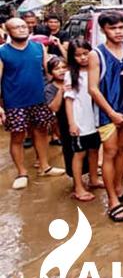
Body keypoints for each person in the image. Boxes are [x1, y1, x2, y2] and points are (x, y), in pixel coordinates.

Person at [0, 17, 64, 189]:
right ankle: (21, 172)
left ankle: (44, 166)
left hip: (39, 98)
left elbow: (49, 72)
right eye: (17, 27)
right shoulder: (2, 52)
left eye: (24, 26)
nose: (22, 29)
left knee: (42, 132)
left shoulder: (38, 47)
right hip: (14, 101)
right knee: (18, 136)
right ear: (8, 31)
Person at [88, 11, 123, 222]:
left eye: (121, 27)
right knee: (109, 152)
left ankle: (119, 188)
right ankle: (112, 200)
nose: (118, 32)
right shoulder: (96, 54)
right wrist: (111, 113)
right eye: (113, 28)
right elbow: (93, 88)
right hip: (107, 113)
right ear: (103, 30)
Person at [64, 38, 103, 201]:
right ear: (72, 57)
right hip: (80, 122)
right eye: (78, 55)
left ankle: (93, 178)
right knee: (79, 154)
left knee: (94, 150)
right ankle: (78, 187)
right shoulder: (70, 75)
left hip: (96, 121)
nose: (83, 58)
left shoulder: (97, 72)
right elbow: (69, 100)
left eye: (86, 54)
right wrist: (72, 123)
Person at [43, 56, 81, 196]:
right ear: (51, 72)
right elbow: (54, 107)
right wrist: (61, 91)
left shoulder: (76, 80)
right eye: (57, 68)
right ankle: (74, 177)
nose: (61, 71)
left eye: (64, 68)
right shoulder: (50, 88)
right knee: (69, 148)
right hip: (64, 122)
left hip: (80, 116)